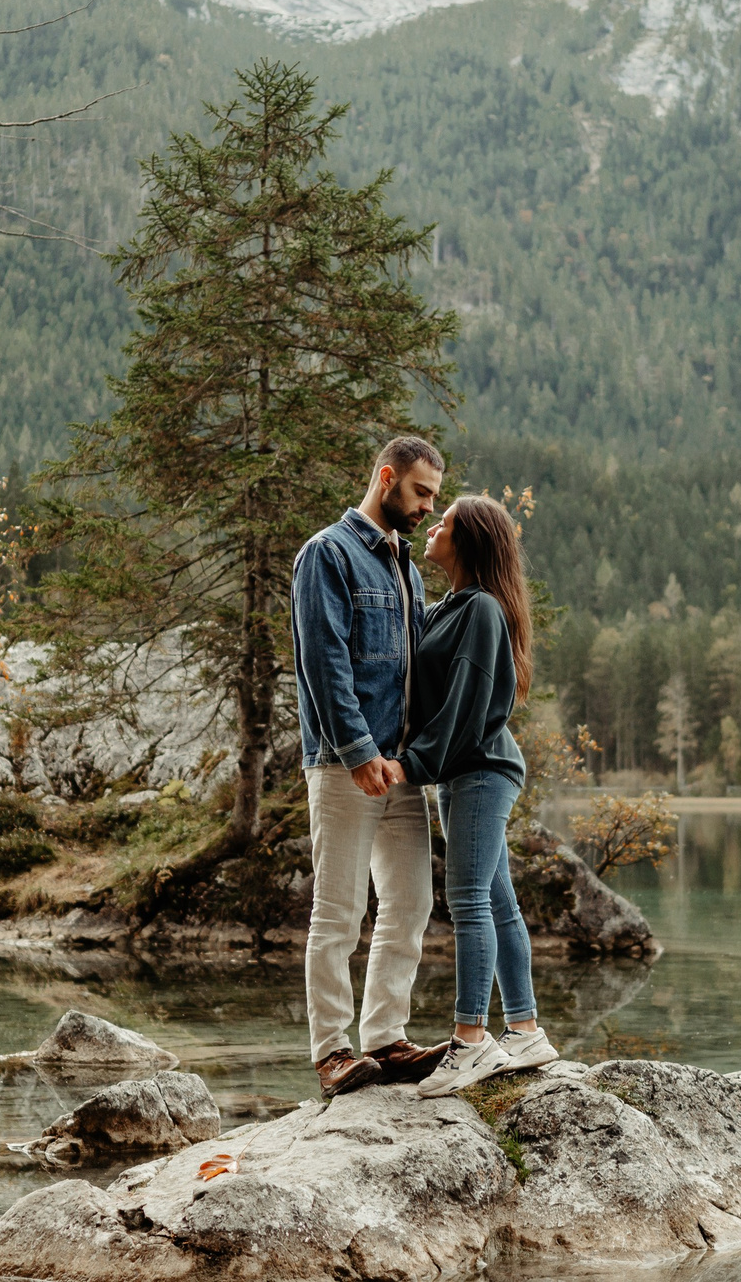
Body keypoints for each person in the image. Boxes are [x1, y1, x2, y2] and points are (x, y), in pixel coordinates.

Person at [290, 434, 453, 1099]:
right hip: (344, 764)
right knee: (338, 910)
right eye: (419, 493)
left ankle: (386, 1034)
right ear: (386, 476)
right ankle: (331, 1049)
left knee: (411, 900)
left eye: (434, 498)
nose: (425, 507)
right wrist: (358, 752)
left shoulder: (408, 571)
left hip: (401, 770)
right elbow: (323, 661)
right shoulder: (326, 554)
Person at [400, 494, 558, 1096]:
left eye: (445, 522)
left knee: (467, 899)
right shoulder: (451, 607)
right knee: (496, 899)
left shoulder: (483, 610)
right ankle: (524, 1031)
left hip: (480, 769)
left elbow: (466, 704)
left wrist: (413, 763)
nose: (433, 525)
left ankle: (471, 1041)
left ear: (467, 541)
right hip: (466, 769)